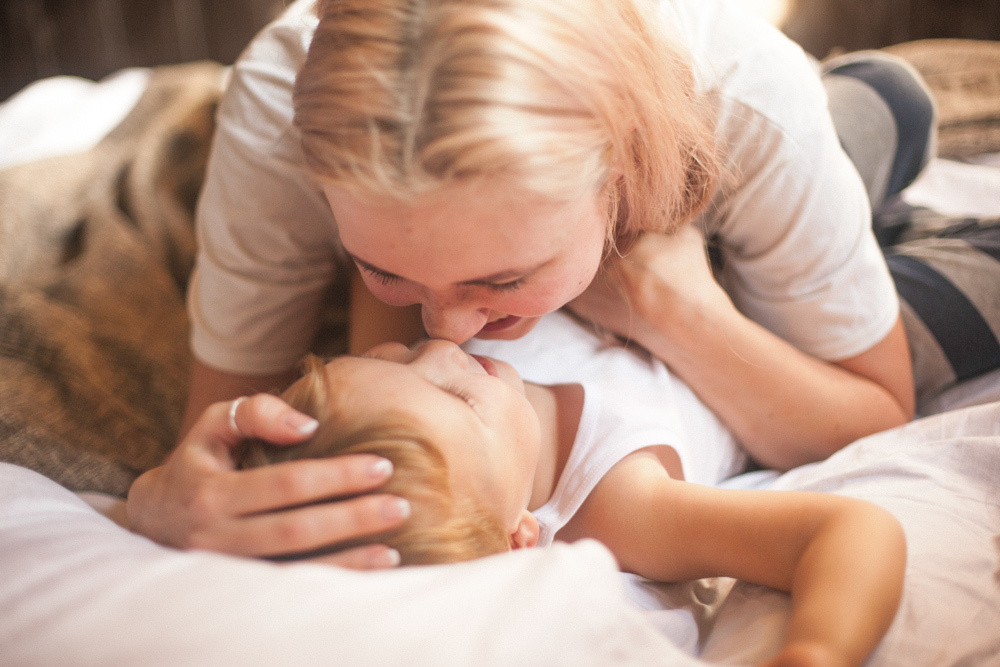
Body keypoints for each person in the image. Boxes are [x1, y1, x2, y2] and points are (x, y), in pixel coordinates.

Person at [127, 0, 936, 564]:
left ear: (619, 173)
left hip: (716, 182)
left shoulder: (746, 105)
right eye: (382, 269)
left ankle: (867, 106)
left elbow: (875, 405)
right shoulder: (277, 119)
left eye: (504, 277)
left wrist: (674, 307)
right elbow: (247, 436)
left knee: (874, 138)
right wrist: (158, 498)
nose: (443, 334)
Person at [235, 329, 906, 666]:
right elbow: (850, 528)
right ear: (520, 539)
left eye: (390, 355)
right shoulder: (619, 503)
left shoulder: (443, 413)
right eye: (459, 396)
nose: (440, 344)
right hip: (787, 334)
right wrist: (818, 649)